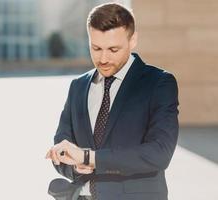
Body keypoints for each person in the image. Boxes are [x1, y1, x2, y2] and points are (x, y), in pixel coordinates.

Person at [46, 2, 179, 200]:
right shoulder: (78, 86)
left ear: (132, 40)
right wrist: (71, 164)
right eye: (96, 48)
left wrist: (89, 158)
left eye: (113, 49)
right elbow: (62, 147)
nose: (104, 58)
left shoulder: (158, 83)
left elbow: (159, 152)